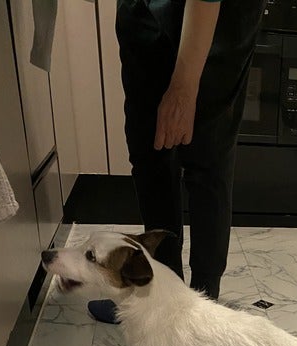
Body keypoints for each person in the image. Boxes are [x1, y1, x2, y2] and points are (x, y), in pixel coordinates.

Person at [88, 0, 266, 323]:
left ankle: (203, 311)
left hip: (219, 14)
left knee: (208, 160)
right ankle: (160, 297)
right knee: (149, 152)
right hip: (142, 10)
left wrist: (184, 87)